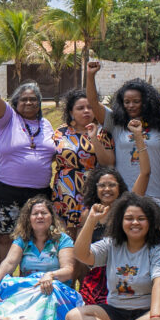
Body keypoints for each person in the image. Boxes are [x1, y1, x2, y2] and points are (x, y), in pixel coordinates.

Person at [65, 193, 160, 320]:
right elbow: (81, 254)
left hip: (145, 314)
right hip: (115, 312)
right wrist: (91, 220)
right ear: (120, 221)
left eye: (141, 218)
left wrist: (154, 317)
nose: (135, 223)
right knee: (73, 316)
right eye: (129, 218)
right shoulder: (112, 244)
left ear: (151, 221)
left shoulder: (159, 249)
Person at [0, 52, 55, 263]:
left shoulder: (46, 124)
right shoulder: (8, 118)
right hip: (7, 190)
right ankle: (3, 281)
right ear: (16, 103)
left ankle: (30, 277)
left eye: (34, 99)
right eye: (24, 99)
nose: (29, 102)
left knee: (37, 237)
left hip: (39, 193)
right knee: (5, 238)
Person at [76, 120, 151, 305]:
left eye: (112, 185)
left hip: (125, 273)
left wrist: (139, 137)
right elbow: (80, 253)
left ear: (120, 188)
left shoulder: (128, 208)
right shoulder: (89, 214)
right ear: (95, 189)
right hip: (97, 276)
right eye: (102, 185)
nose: (107, 189)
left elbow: (145, 173)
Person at [86, 61, 160, 210]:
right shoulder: (116, 124)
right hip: (125, 196)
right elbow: (94, 102)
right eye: (126, 102)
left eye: (136, 101)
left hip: (157, 195)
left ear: (146, 102)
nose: (131, 105)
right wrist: (90, 76)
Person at [52, 89, 114, 236]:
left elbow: (108, 163)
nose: (86, 111)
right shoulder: (60, 133)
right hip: (65, 191)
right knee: (65, 237)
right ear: (71, 112)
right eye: (80, 108)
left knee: (85, 236)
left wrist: (93, 138)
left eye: (90, 107)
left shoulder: (102, 133)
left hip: (90, 190)